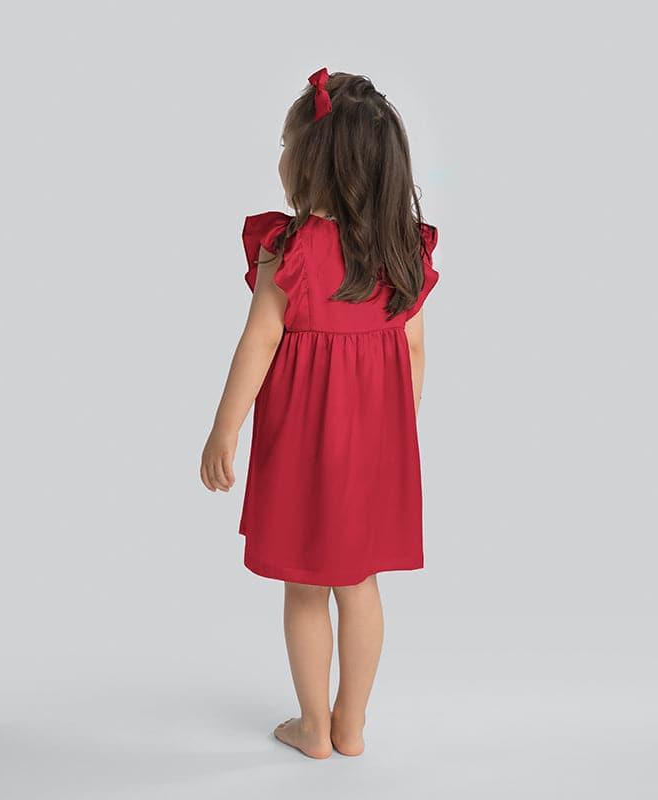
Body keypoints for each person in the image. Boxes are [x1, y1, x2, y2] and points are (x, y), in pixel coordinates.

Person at [200, 67, 440, 759]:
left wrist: (225, 428)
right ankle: (351, 724)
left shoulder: (293, 251)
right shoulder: (401, 250)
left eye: (286, 145)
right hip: (375, 447)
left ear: (312, 164)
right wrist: (393, 433)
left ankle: (313, 727)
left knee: (306, 587)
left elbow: (258, 342)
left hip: (303, 445)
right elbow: (414, 350)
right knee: (359, 584)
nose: (280, 156)